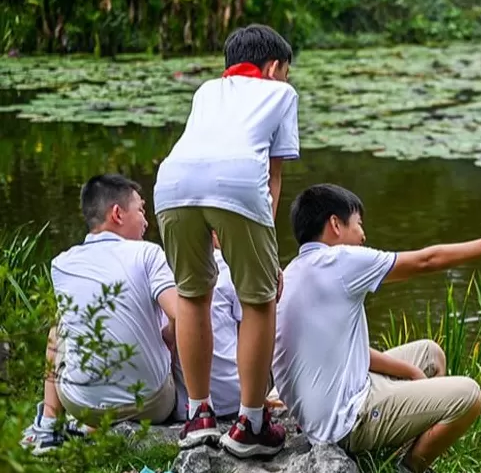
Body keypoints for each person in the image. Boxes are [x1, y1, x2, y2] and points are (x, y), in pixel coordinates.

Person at [272, 183, 481, 473]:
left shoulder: (293, 272)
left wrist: (412, 372)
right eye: (359, 224)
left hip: (326, 407)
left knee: (430, 354)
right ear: (335, 224)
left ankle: (409, 439)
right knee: (469, 395)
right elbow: (428, 260)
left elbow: (342, 351)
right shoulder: (340, 261)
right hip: (346, 420)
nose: (363, 236)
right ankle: (410, 467)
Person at [153, 24, 300, 457]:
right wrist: (265, 255)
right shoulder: (281, 94)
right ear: (273, 67)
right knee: (259, 299)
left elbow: (206, 152)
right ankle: (252, 422)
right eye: (286, 72)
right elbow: (271, 178)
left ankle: (198, 417)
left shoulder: (205, 91)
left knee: (193, 294)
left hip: (172, 185)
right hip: (237, 184)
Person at [20, 174, 179, 454]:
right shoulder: (148, 254)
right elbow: (181, 314)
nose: (146, 221)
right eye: (141, 210)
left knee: (58, 330)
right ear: (117, 213)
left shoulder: (62, 263)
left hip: (82, 404)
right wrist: (168, 333)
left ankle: (48, 423)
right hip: (153, 403)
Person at [169, 234, 242, 422]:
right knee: (263, 323)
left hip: (186, 402)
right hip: (235, 398)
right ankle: (255, 412)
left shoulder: (167, 269)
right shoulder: (230, 267)